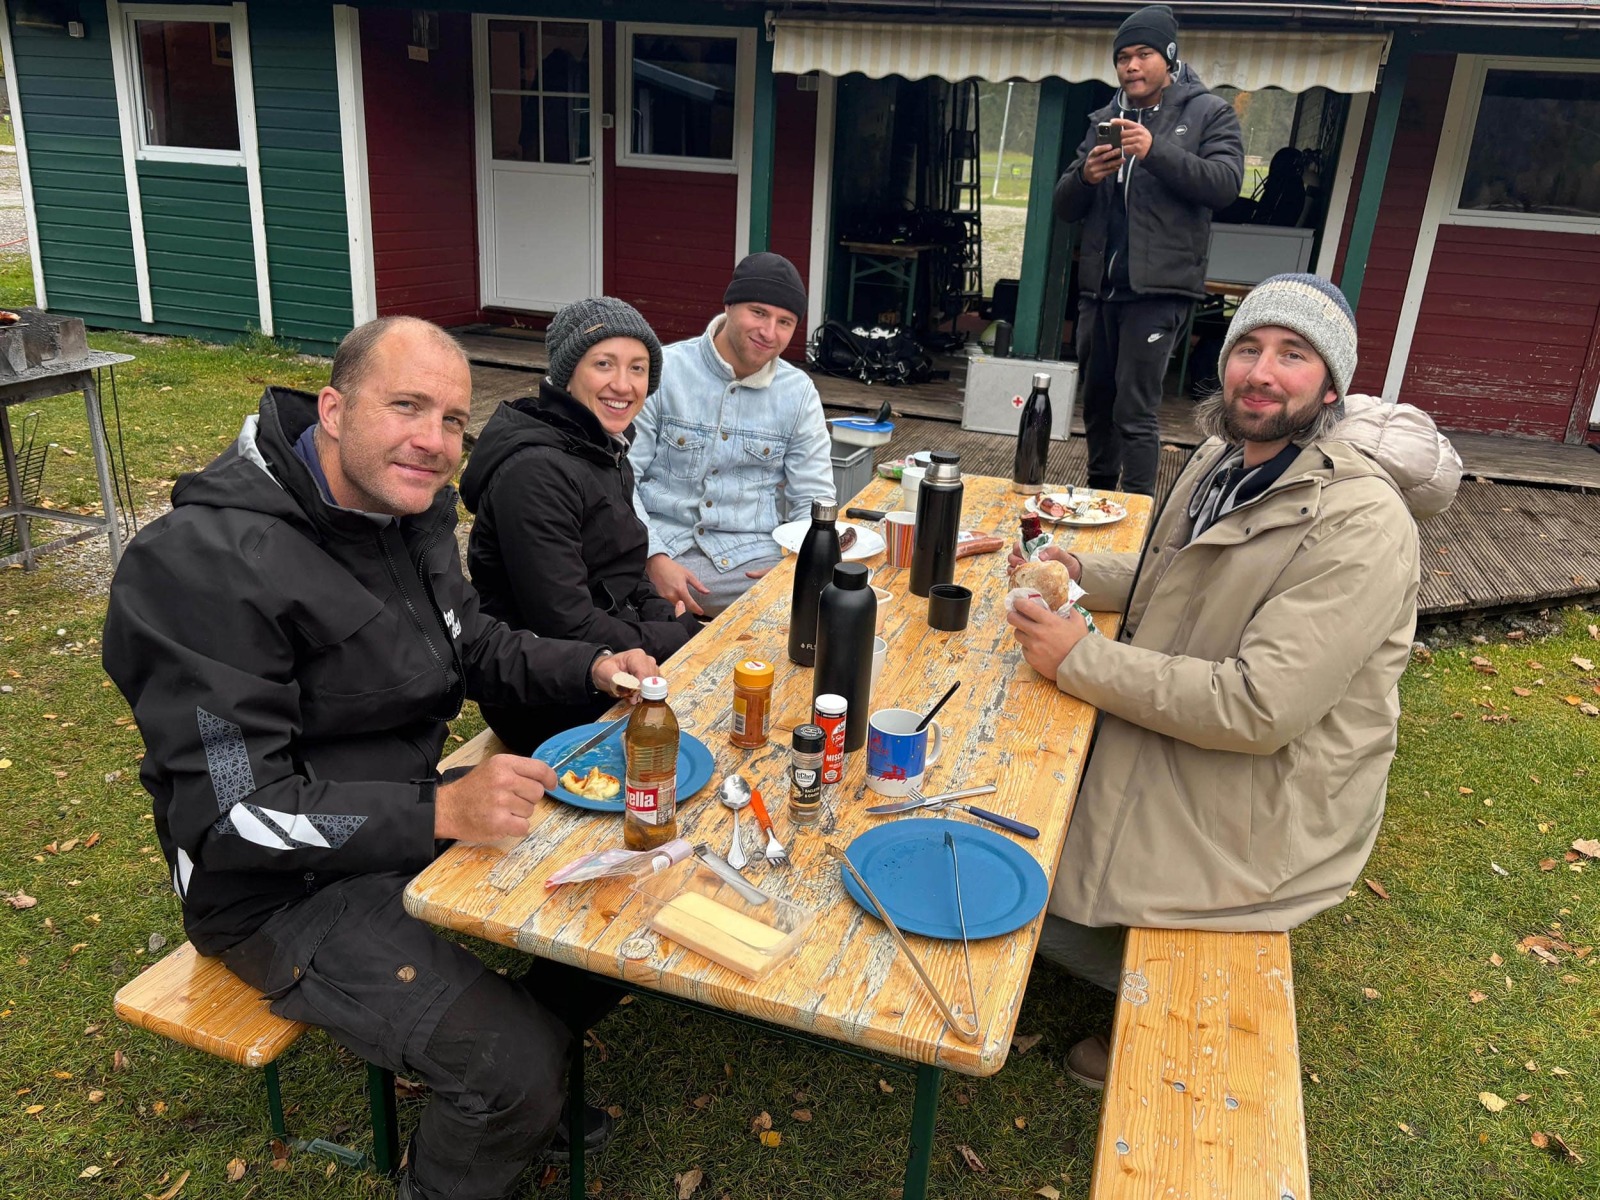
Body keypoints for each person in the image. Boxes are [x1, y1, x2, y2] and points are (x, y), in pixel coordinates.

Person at [102, 316, 657, 1200]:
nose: (433, 441)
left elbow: (468, 642)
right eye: (407, 407)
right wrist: (440, 811)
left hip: (397, 806)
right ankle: (513, 1094)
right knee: (509, 1071)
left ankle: (530, 1066)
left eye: (452, 419)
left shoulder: (404, 511)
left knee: (618, 888)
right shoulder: (203, 567)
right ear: (333, 409)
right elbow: (235, 813)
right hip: (271, 888)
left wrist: (589, 664)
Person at [1005, 274, 1462, 1087]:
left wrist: (1079, 659)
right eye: (1248, 347)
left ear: (1330, 384)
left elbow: (1260, 707)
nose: (1262, 372)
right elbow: (1173, 579)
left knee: (1010, 889)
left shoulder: (1362, 522)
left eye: (1294, 354)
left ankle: (1180, 1002)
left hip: (1262, 797)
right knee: (1005, 808)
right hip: (1199, 736)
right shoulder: (1223, 459)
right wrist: (1078, 569)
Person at [462, 297, 699, 753]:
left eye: (637, 368)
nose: (623, 384)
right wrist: (677, 635)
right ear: (567, 373)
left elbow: (626, 568)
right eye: (604, 364)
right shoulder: (536, 472)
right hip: (548, 698)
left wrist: (663, 616)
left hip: (614, 655)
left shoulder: (601, 446)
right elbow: (565, 624)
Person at [1054, 3, 1244, 496]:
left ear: (1169, 57)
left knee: (1134, 410)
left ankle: (1136, 511)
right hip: (1100, 292)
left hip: (1159, 290)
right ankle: (1097, 495)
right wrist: (1085, 176)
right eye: (1123, 58)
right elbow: (1063, 205)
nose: (1131, 66)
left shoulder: (1209, 112)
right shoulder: (1104, 117)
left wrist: (1154, 150)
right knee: (1097, 403)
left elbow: (1224, 184)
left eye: (1143, 54)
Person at [630, 251, 835, 618]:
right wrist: (652, 556)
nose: (769, 332)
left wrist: (795, 566)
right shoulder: (664, 370)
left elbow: (814, 499)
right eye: (758, 313)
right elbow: (622, 478)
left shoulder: (799, 392)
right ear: (729, 306)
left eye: (784, 322)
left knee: (842, 594)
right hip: (658, 549)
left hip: (752, 561)